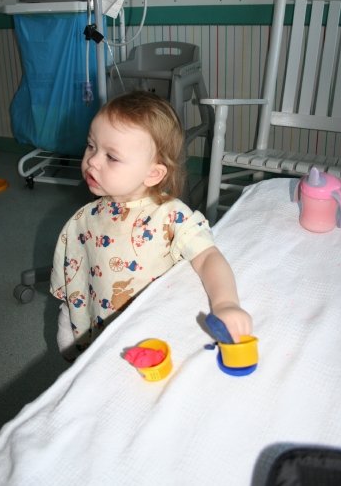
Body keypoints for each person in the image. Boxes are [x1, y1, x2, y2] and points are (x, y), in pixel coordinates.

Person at [50, 90, 252, 359]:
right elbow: (78, 279)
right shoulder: (85, 218)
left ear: (153, 173)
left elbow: (207, 257)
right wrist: (71, 321)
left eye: (112, 156)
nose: (92, 161)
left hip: (153, 336)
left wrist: (226, 303)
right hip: (102, 339)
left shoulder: (170, 217)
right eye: (91, 146)